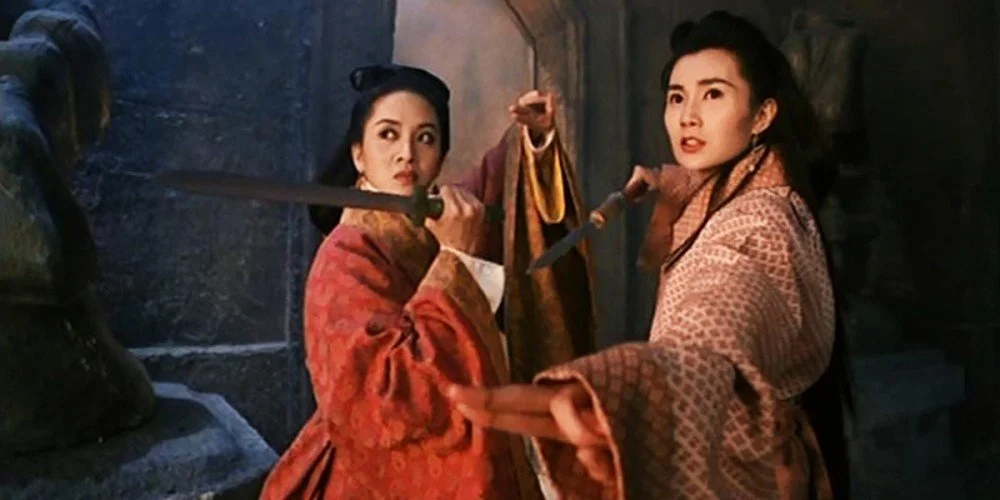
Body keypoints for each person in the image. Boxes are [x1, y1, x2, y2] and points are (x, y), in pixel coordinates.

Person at [448, 10, 852, 499]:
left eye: (713, 94)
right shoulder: (757, 189)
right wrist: (670, 181)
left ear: (763, 115)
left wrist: (635, 391)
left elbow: (716, 315)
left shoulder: (757, 226)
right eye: (677, 97)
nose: (688, 116)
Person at [259, 64, 544, 499]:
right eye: (388, 134)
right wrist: (456, 262)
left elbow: (490, 182)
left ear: (441, 156)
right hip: (368, 473)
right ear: (359, 154)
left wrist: (530, 136)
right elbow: (383, 400)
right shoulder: (345, 256)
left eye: (425, 138)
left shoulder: (427, 215)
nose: (407, 154)